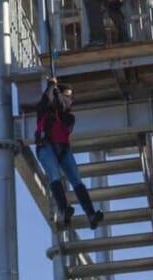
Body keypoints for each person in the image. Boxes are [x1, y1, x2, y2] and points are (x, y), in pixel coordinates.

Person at [35, 77, 104, 230]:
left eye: (70, 97)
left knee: (76, 180)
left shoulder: (68, 116)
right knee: (54, 176)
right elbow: (46, 101)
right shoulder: (44, 109)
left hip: (62, 149)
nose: (70, 99)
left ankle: (91, 214)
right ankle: (63, 209)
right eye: (68, 95)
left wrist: (55, 91)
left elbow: (61, 105)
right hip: (45, 147)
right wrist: (51, 87)